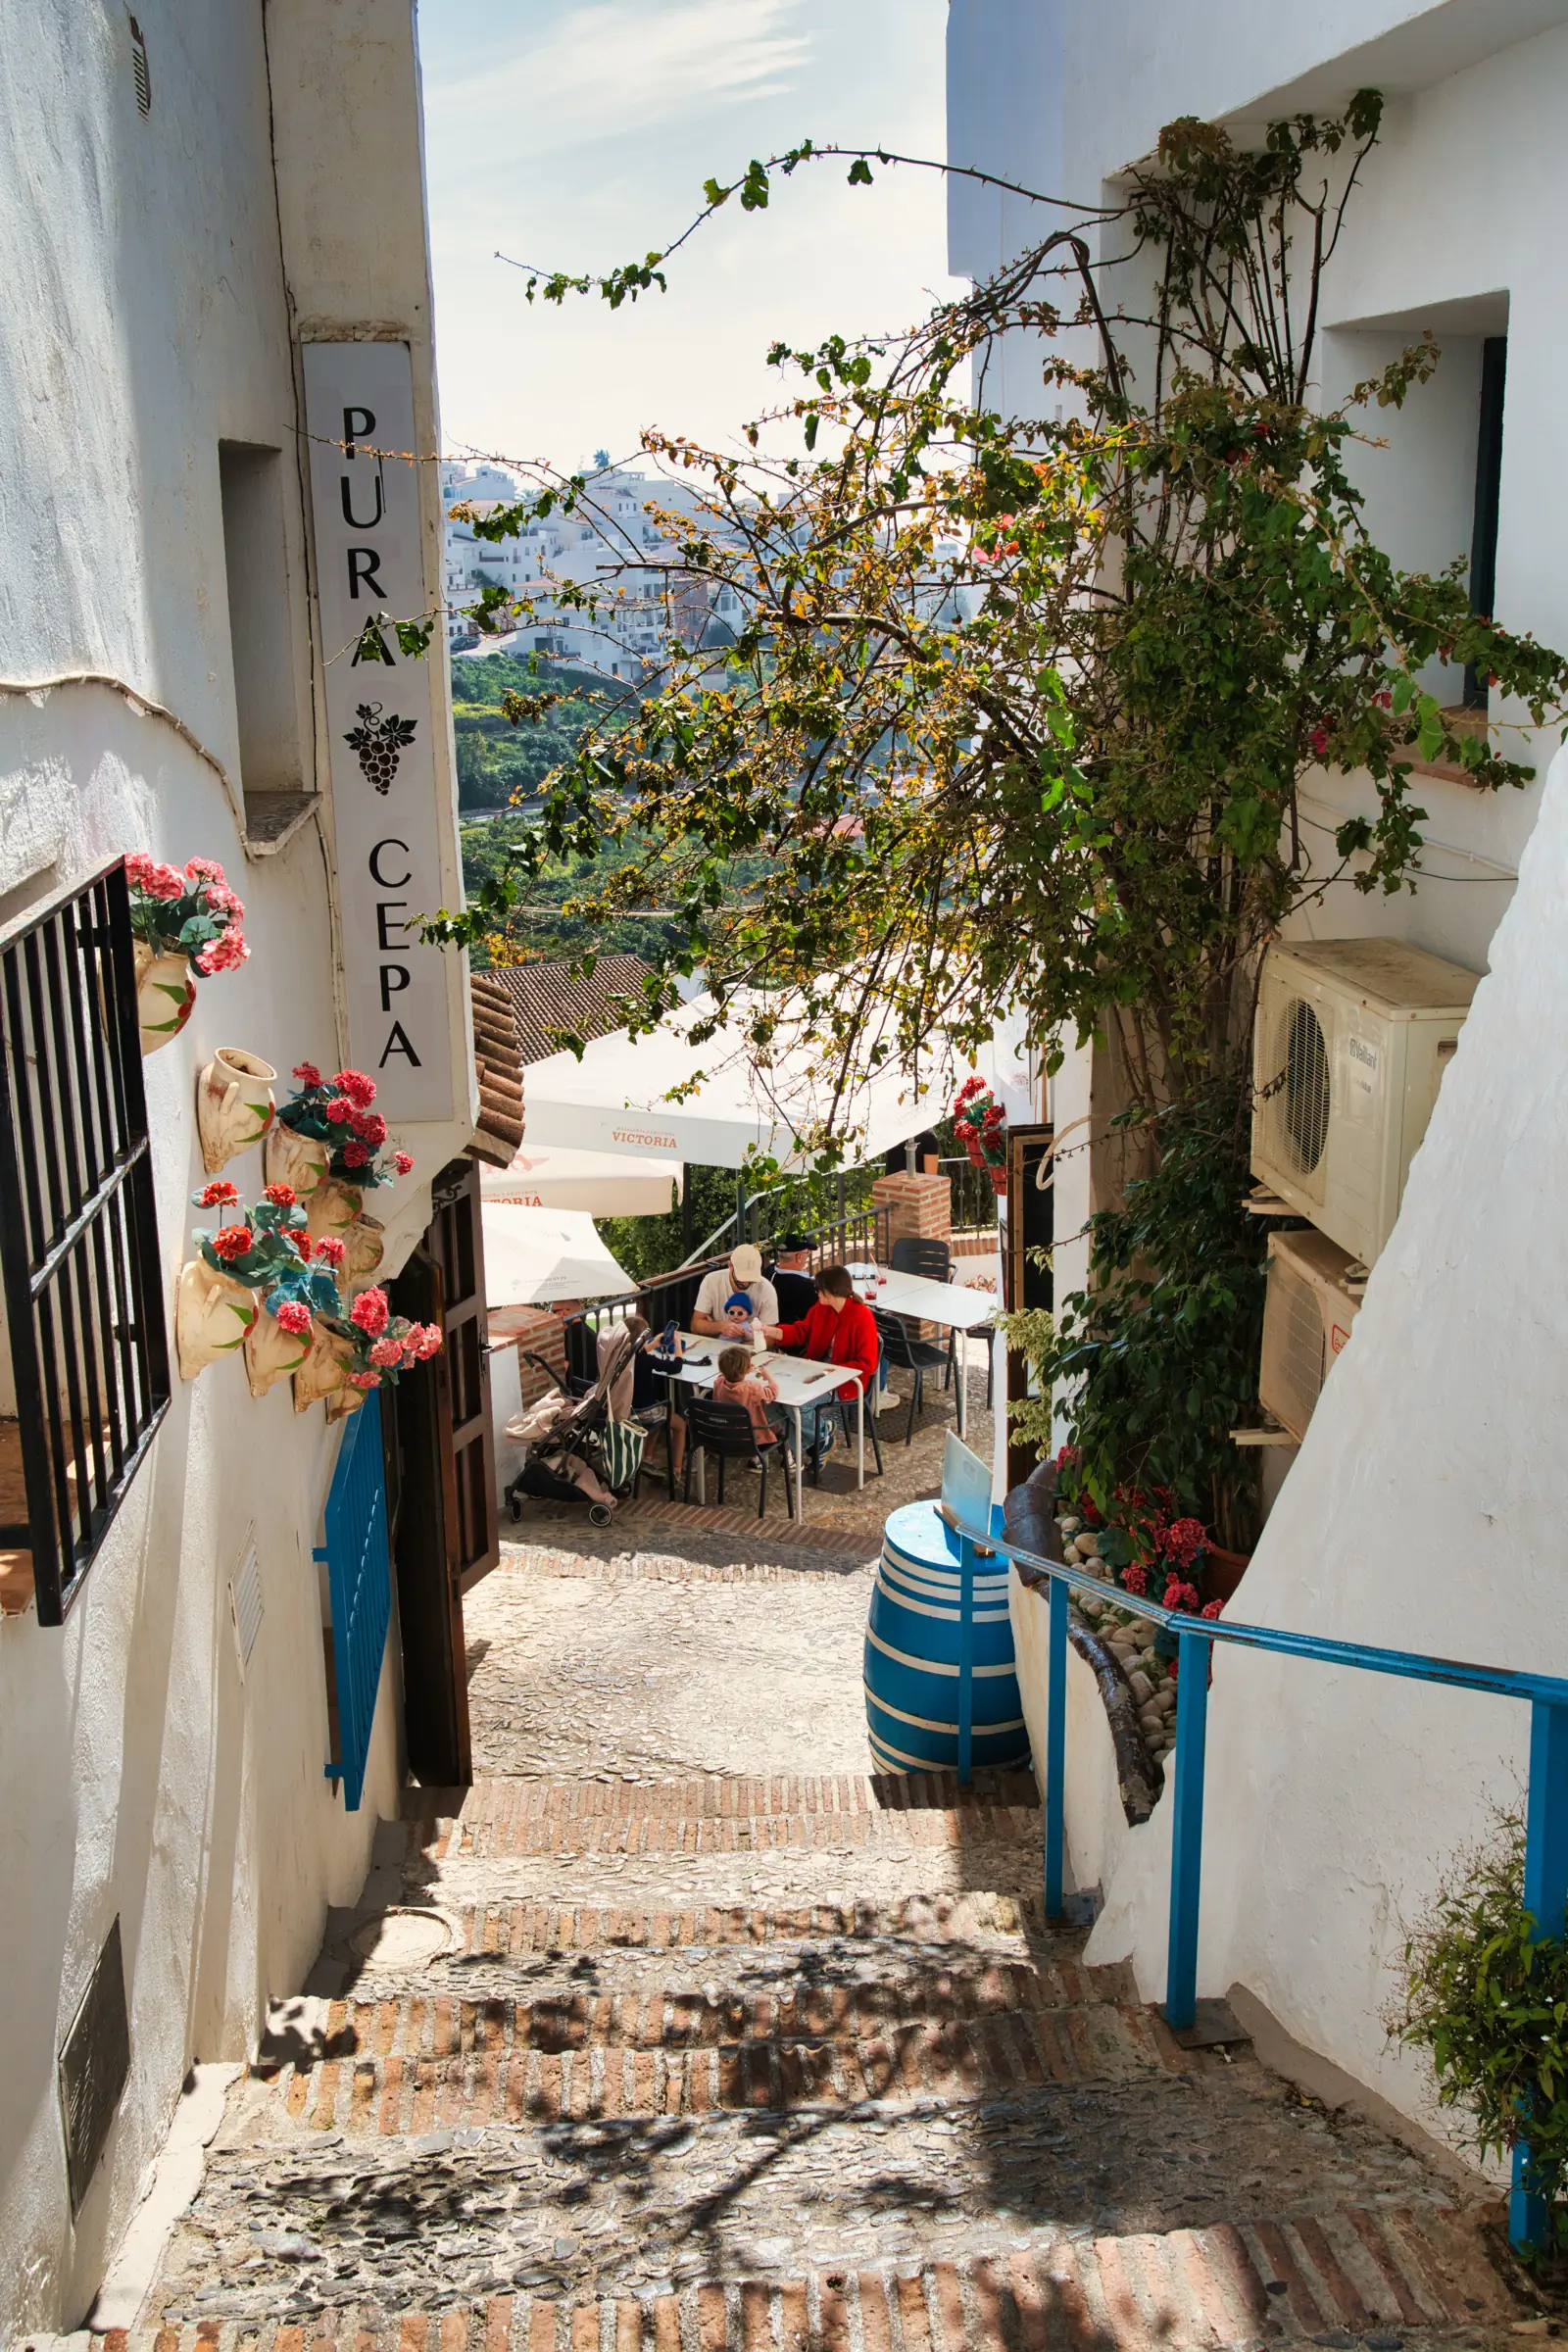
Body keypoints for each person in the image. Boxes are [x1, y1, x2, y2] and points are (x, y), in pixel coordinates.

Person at [761, 1264, 880, 1471]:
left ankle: (815, 1439)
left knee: (796, 1404)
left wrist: (831, 1372)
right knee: (771, 1399)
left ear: (834, 1292)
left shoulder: (862, 1317)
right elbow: (803, 1331)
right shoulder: (821, 1308)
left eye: (820, 1291)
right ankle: (819, 1437)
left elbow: (867, 1364)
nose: (816, 1294)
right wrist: (774, 1332)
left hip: (847, 1381)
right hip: (816, 1371)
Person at [710, 1343, 786, 1464]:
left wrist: (739, 1370)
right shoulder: (752, 1388)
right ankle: (788, 1459)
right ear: (746, 1369)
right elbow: (773, 1392)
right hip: (752, 1442)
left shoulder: (718, 1383)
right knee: (780, 1426)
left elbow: (723, 1376)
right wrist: (768, 1377)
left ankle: (756, 1461)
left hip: (725, 1438)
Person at [692, 1242, 778, 1335]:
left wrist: (746, 1346)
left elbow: (770, 1337)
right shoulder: (712, 1280)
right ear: (730, 1266)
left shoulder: (767, 1289)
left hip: (751, 1346)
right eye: (742, 1277)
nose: (746, 1283)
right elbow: (695, 1325)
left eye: (751, 1278)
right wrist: (721, 1326)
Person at [595, 1313, 648, 1422]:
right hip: (639, 1409)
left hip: (609, 1405)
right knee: (679, 1424)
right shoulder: (642, 1360)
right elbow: (675, 1367)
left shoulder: (616, 1359)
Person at [767, 1231, 818, 1324]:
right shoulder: (805, 1287)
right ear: (799, 1257)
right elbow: (814, 1320)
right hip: (789, 1335)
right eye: (807, 1253)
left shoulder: (768, 1272)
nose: (808, 1256)